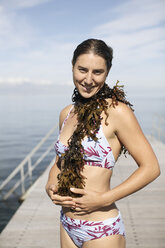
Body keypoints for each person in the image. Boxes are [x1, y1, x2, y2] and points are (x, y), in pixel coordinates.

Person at [45, 38, 160, 248]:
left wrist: (104, 198)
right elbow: (59, 163)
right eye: (82, 70)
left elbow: (151, 168)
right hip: (67, 224)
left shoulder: (117, 112)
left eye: (97, 72)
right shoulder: (66, 113)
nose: (88, 79)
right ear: (72, 68)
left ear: (107, 73)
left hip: (102, 230)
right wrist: (51, 185)